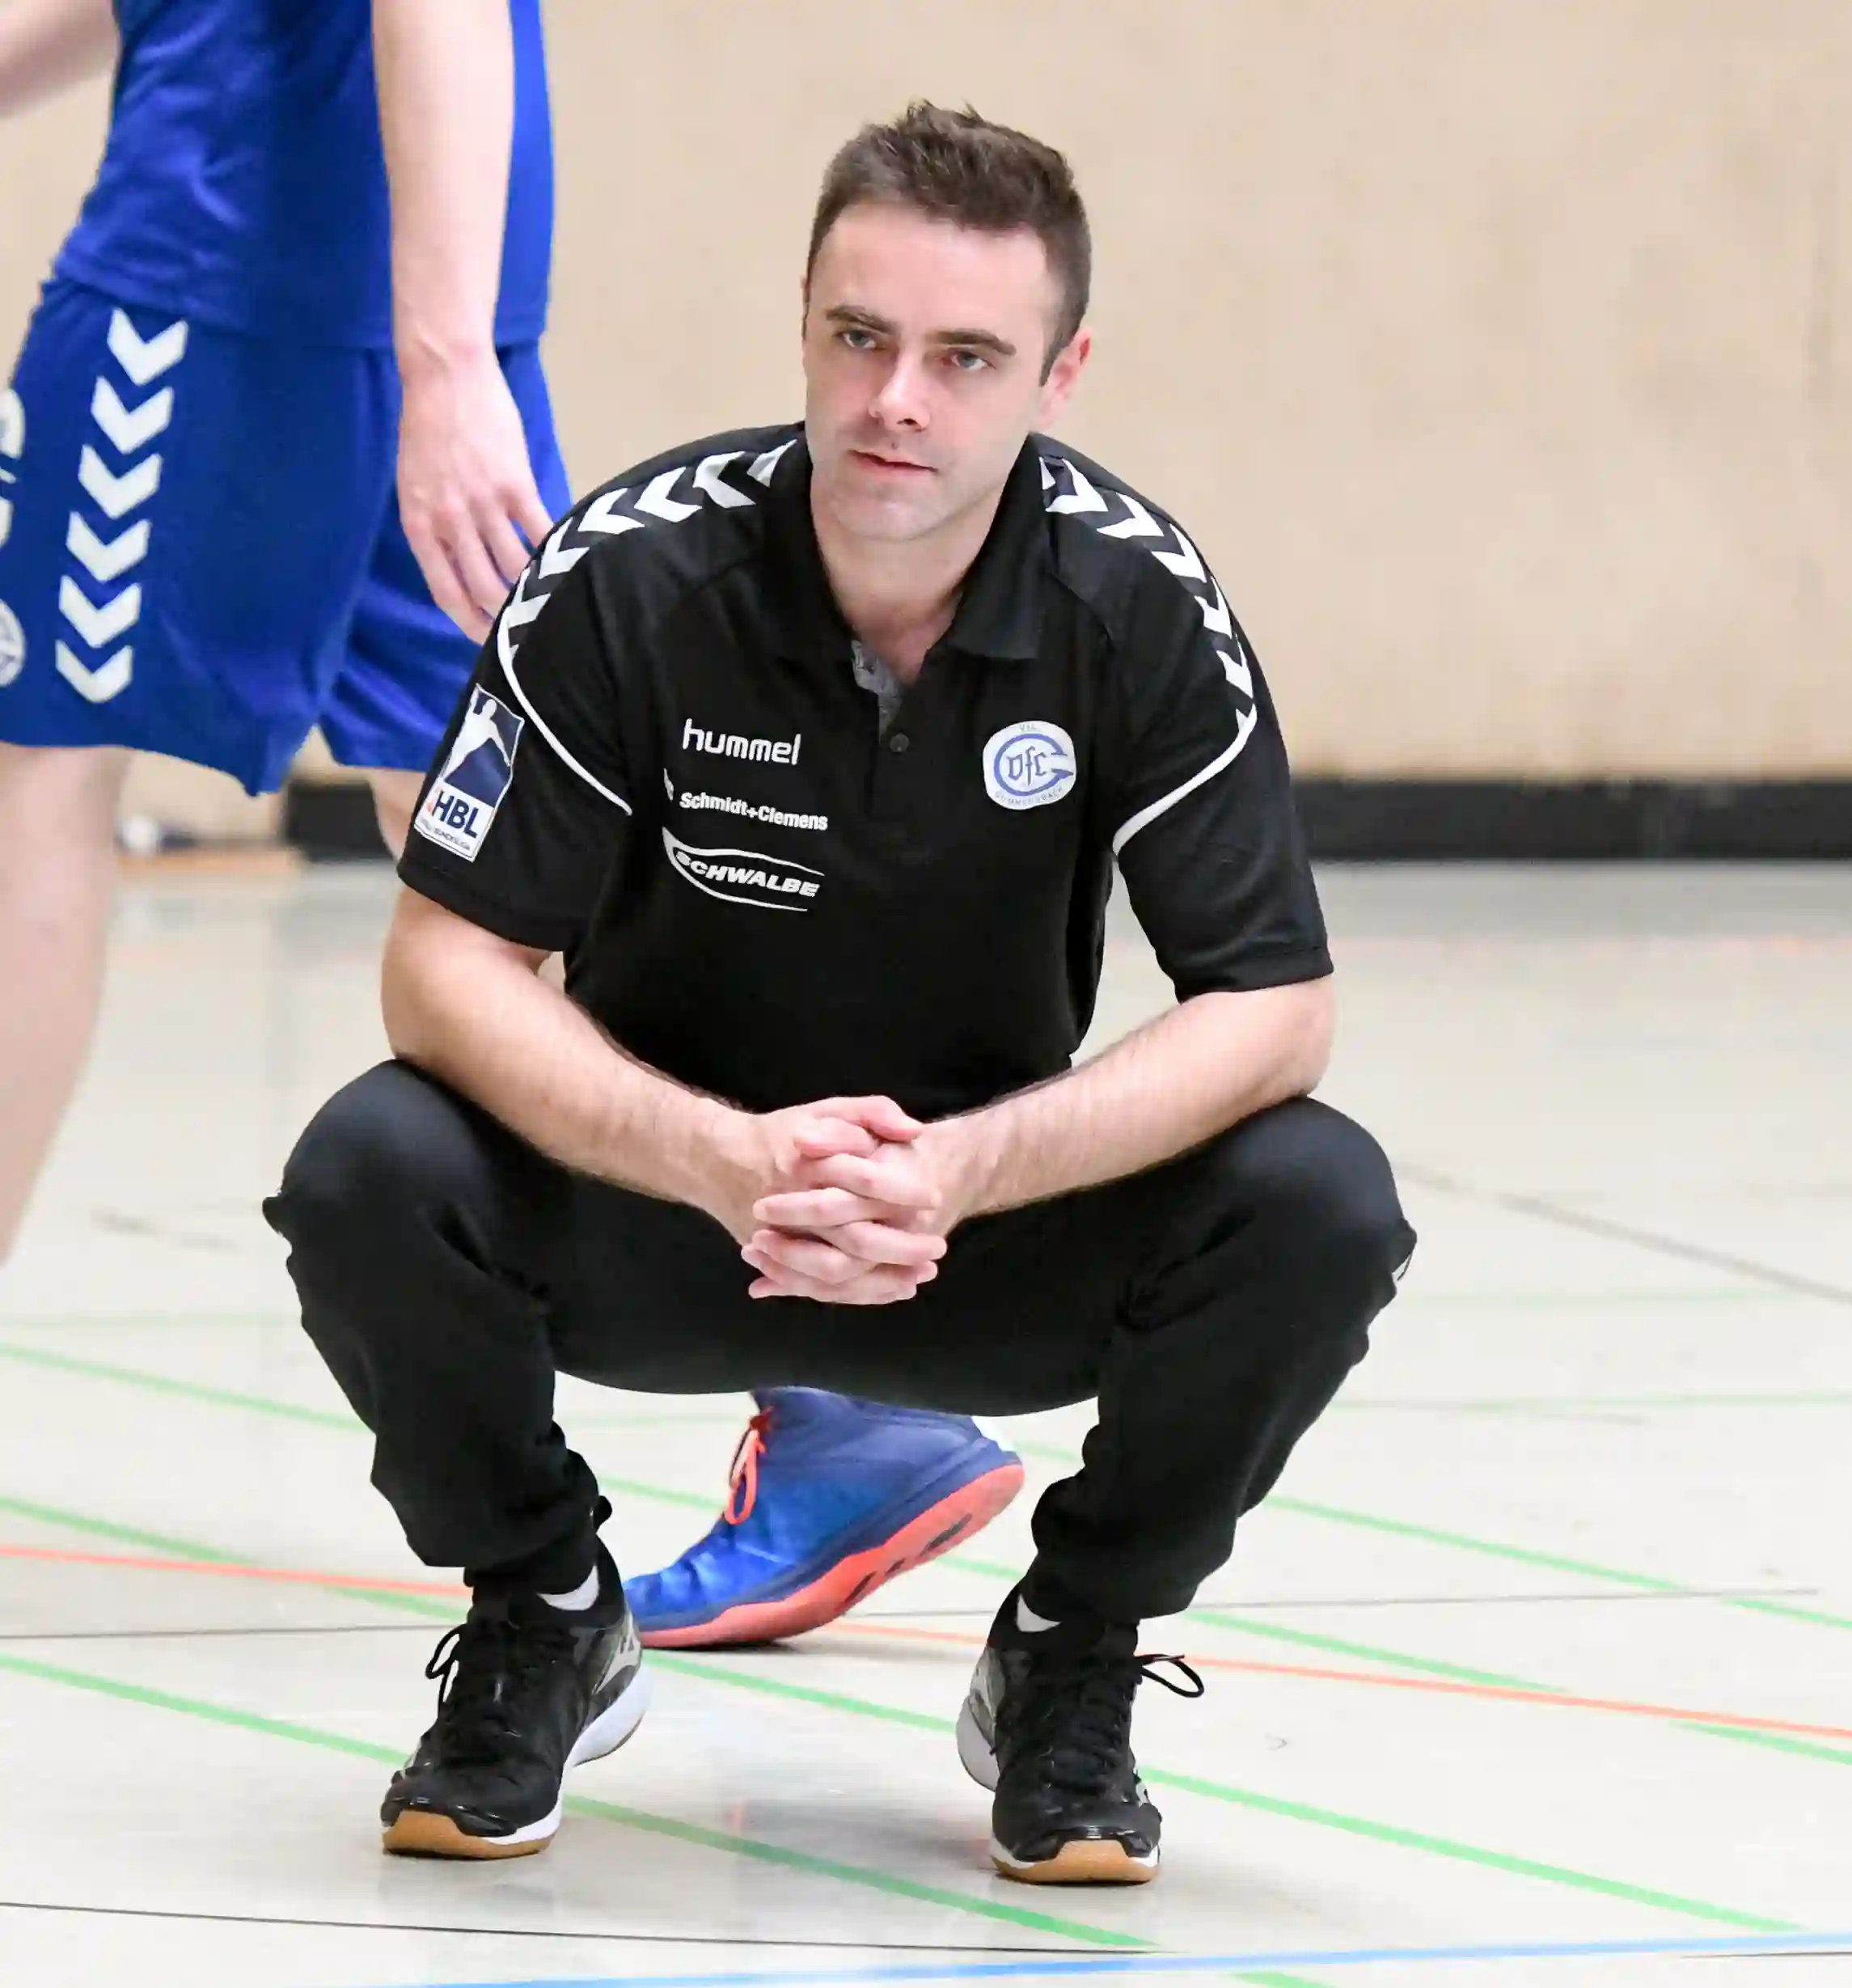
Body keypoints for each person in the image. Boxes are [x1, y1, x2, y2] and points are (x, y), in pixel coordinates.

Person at [266, 103, 1415, 1885]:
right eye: (859, 337)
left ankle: (1074, 1647)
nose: (896, 400)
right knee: (369, 1164)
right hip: (662, 1209)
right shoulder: (631, 572)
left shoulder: (1135, 604)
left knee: (1320, 1198)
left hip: (975, 1235)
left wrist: (954, 1171)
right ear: (802, 323)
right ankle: (541, 1608)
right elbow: (442, 963)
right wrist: (722, 1159)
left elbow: (1273, 1005)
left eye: (965, 358)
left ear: (1060, 371)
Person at [0, 3, 1024, 1628]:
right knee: (517, 847)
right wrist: (451, 354)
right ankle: (841, 1380)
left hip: (231, 290)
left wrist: (446, 364)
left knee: (37, 774)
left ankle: (834, 1372)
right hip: (401, 298)